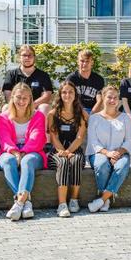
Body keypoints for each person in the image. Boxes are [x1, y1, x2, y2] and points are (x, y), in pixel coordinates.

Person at [0, 82, 48, 221]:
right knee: (8, 161)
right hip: (9, 151)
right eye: (18, 97)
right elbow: (4, 139)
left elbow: (37, 138)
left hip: (33, 151)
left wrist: (23, 152)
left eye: (25, 98)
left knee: (27, 161)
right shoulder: (3, 117)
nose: (21, 101)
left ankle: (19, 203)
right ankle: (26, 201)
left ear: (30, 99)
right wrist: (15, 152)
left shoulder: (38, 116)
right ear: (12, 97)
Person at [86, 86, 131, 212]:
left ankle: (103, 199)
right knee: (102, 164)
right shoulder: (94, 118)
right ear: (103, 98)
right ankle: (106, 199)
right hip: (99, 152)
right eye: (109, 97)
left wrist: (117, 153)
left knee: (122, 166)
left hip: (121, 152)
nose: (112, 100)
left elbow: (129, 141)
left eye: (115, 98)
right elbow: (93, 142)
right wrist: (108, 153)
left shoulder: (125, 118)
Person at [47, 81, 87, 217]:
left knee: (76, 161)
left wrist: (69, 151)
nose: (67, 95)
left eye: (70, 92)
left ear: (75, 94)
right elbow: (54, 137)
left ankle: (74, 200)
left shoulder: (81, 114)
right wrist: (63, 153)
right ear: (60, 95)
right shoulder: (53, 114)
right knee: (63, 162)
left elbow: (80, 138)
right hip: (57, 150)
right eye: (64, 92)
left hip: (75, 149)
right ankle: (62, 204)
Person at [3, 45, 54, 111]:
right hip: (16, 108)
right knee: (6, 107)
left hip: (35, 109)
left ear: (34, 57)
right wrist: (20, 106)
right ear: (19, 57)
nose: (27, 58)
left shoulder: (43, 75)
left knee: (45, 107)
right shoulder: (11, 74)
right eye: (24, 55)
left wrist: (31, 106)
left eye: (30, 55)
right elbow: (8, 95)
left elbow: (46, 96)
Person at [64, 48, 105, 115]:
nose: (84, 64)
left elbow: (100, 100)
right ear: (78, 62)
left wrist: (91, 116)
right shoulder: (71, 78)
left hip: (92, 110)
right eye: (82, 61)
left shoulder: (99, 79)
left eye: (87, 61)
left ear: (92, 62)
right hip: (75, 110)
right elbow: (67, 98)